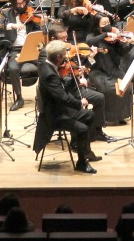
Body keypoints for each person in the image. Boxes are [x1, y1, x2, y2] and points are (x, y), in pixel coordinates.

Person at [33, 40, 100, 173]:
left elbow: (60, 86)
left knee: (90, 115)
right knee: (82, 129)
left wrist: (75, 82)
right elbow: (62, 97)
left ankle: (82, 149)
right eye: (64, 55)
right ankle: (81, 162)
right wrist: (80, 103)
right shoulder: (50, 74)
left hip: (58, 109)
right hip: (54, 116)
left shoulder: (46, 65)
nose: (65, 58)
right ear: (58, 57)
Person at [0, 0, 44, 111]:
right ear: (13, 4)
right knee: (12, 68)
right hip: (15, 50)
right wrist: (11, 25)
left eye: (23, 3)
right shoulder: (7, 14)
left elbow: (39, 33)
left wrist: (42, 24)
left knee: (47, 64)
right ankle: (19, 98)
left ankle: (44, 95)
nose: (22, 6)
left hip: (32, 49)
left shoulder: (32, 14)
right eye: (18, 4)